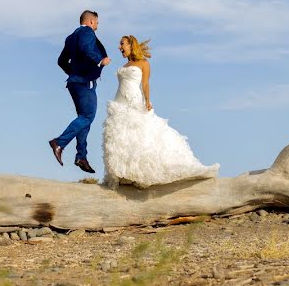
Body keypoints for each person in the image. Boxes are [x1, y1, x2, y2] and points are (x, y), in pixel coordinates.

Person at [102, 35, 218, 188]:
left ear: (131, 45)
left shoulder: (143, 63)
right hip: (119, 104)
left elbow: (145, 84)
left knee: (139, 136)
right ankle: (123, 174)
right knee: (120, 137)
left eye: (122, 44)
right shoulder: (125, 64)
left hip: (134, 102)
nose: (119, 47)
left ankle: (138, 172)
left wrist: (148, 101)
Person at [49, 10, 111, 173]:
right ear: (91, 21)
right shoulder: (86, 32)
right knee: (87, 116)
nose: (97, 25)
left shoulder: (71, 37)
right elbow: (86, 48)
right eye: (97, 22)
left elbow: (61, 61)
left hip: (75, 82)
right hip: (85, 82)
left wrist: (73, 73)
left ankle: (81, 157)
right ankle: (59, 142)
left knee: (83, 119)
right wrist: (100, 60)